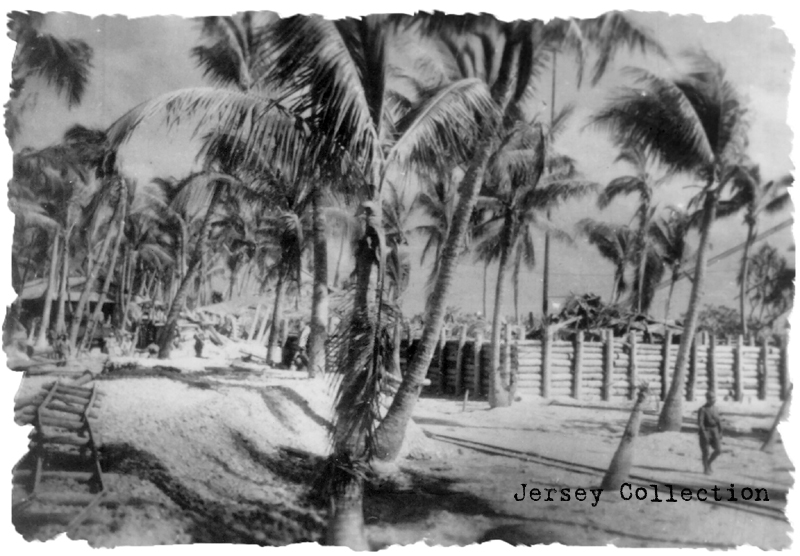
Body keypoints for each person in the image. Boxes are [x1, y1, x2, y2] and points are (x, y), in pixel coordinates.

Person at [697, 390, 723, 475]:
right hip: (706, 431)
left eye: (714, 398)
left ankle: (708, 463)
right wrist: (704, 433)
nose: (713, 399)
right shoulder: (702, 409)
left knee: (718, 450)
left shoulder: (716, 408)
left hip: (714, 431)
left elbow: (719, 421)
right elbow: (700, 423)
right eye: (711, 398)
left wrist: (720, 432)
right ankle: (706, 468)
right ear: (707, 399)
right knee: (706, 452)